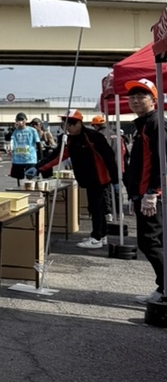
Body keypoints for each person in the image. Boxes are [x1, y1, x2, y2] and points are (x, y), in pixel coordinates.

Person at [39, 109, 118, 249]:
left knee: (96, 208)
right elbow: (58, 155)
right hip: (87, 179)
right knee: (96, 207)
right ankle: (102, 235)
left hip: (99, 178)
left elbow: (109, 157)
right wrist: (39, 167)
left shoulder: (93, 136)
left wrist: (116, 179)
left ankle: (97, 237)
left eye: (71, 123)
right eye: (65, 124)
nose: (68, 127)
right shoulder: (69, 140)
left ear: (79, 123)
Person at [122, 78, 164, 309]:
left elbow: (162, 161)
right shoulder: (144, 124)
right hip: (143, 193)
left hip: (152, 195)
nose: (136, 100)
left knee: (149, 242)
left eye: (142, 96)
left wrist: (151, 193)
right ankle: (163, 287)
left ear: (153, 100)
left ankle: (165, 287)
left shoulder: (156, 123)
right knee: (154, 243)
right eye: (133, 96)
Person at [9, 112, 40, 180]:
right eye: (18, 120)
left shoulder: (32, 130)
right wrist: (14, 128)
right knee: (19, 178)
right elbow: (8, 138)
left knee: (30, 178)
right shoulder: (14, 131)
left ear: (26, 120)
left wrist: (40, 158)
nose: (21, 121)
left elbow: (38, 144)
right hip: (17, 159)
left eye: (22, 119)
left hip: (30, 159)